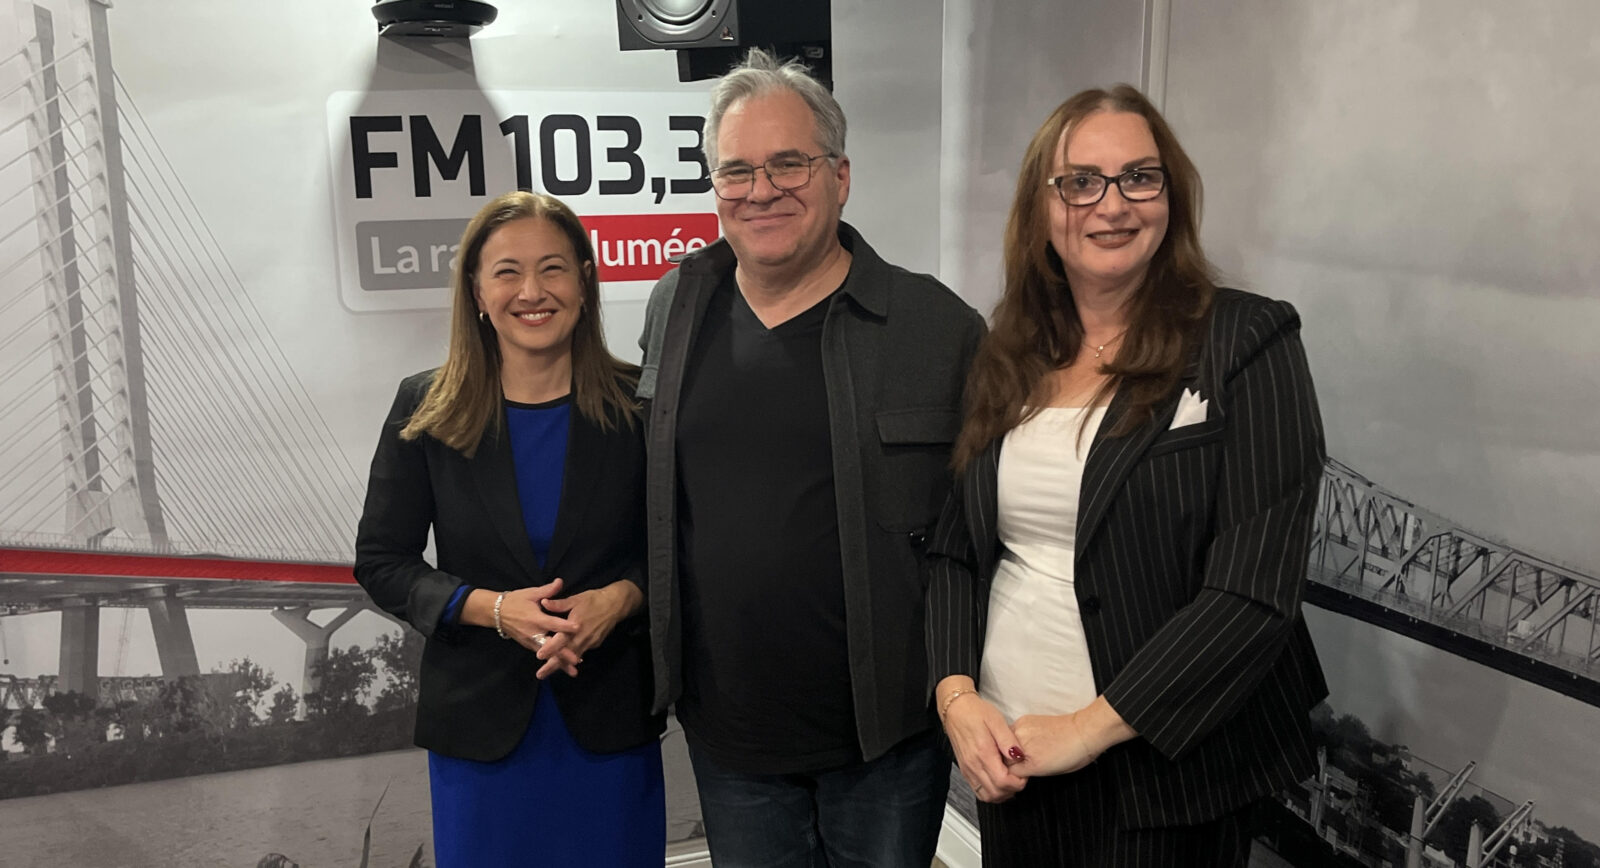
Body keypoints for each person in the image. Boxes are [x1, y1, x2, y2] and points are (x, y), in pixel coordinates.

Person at [926, 85, 1329, 867]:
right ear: (1042, 208)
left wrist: (1087, 728)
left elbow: (1252, 591)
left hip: (1164, 772)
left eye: (1139, 177)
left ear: (1170, 196)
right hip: (1014, 760)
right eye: (1080, 181)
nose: (1111, 204)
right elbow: (955, 551)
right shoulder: (1007, 353)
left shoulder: (1246, 337)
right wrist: (958, 698)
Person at [636, 48, 985, 867]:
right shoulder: (675, 305)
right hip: (731, 740)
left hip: (888, 741)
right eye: (737, 171)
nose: (762, 191)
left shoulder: (936, 326)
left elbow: (979, 533)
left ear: (840, 175)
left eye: (788, 163)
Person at [354, 191, 665, 867]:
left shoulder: (642, 408)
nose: (532, 291)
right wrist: (492, 610)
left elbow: (678, 549)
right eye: (507, 271)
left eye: (553, 268)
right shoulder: (425, 409)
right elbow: (382, 560)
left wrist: (618, 601)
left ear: (584, 279)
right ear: (476, 291)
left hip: (609, 728)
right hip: (480, 741)